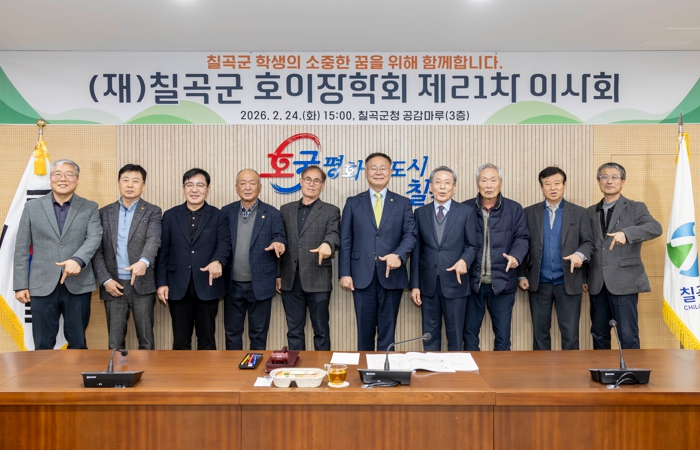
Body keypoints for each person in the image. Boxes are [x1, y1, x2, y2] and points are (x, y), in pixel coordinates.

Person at [13, 159, 103, 349]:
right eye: (57, 174)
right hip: (41, 285)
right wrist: (20, 285)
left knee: (78, 344)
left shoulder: (89, 207)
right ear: (50, 178)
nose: (63, 179)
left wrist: (77, 260)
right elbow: (21, 247)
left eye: (69, 174)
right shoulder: (32, 207)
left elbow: (95, 237)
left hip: (78, 285)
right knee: (42, 345)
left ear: (77, 179)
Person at [339, 152, 416, 351]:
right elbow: (346, 240)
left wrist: (399, 255)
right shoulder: (353, 202)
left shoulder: (403, 203)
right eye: (373, 168)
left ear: (390, 172)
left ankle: (386, 369)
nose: (378, 172)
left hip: (391, 275)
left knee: (387, 333)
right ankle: (365, 369)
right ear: (366, 172)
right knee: (364, 333)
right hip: (361, 275)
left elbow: (410, 235)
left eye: (383, 168)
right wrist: (344, 273)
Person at [585, 162, 662, 349]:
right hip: (597, 283)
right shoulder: (589, 212)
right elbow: (587, 244)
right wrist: (584, 277)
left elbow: (655, 228)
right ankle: (602, 368)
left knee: (628, 336)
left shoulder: (636, 207)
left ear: (623, 181)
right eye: (604, 177)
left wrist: (627, 234)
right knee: (599, 335)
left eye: (614, 177)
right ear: (598, 181)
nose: (609, 181)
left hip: (625, 282)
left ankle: (631, 368)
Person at [518, 167, 593, 350]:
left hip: (569, 281)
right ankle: (541, 368)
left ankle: (571, 368)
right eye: (548, 184)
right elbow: (521, 244)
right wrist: (521, 275)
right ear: (541, 187)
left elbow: (589, 243)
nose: (553, 188)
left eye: (557, 183)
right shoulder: (529, 213)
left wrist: (580, 258)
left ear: (564, 185)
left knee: (570, 334)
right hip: (538, 282)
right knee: (539, 333)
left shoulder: (580, 213)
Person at [155, 168, 230, 350]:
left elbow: (225, 244)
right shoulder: (170, 215)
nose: (194, 189)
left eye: (200, 185)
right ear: (183, 188)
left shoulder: (218, 215)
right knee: (180, 341)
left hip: (207, 285)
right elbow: (163, 252)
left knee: (207, 340)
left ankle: (207, 370)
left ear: (208, 189)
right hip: (177, 285)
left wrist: (218, 261)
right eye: (190, 185)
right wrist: (162, 283)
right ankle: (181, 371)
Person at [93, 164, 162, 350]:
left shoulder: (153, 211)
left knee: (146, 340)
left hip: (142, 283)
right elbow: (97, 250)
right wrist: (105, 280)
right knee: (115, 343)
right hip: (113, 285)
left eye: (135, 181)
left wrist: (143, 262)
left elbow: (154, 238)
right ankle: (116, 370)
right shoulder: (104, 213)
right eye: (125, 180)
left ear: (143, 186)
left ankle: (147, 369)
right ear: (118, 183)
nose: (130, 185)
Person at [410, 166, 478, 351]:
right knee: (429, 337)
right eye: (438, 182)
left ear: (454, 187)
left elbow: (472, 245)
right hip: (428, 285)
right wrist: (415, 285)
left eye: (447, 183)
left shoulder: (465, 212)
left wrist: (464, 260)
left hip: (456, 283)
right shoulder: (420, 213)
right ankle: (431, 369)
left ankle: (454, 369)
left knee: (455, 337)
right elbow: (416, 251)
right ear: (431, 186)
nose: (442, 187)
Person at [463, 163, 529, 351]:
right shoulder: (465, 208)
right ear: (477, 183)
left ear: (500, 183)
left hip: (503, 282)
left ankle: (502, 371)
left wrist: (516, 256)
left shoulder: (514, 209)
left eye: (493, 180)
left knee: (502, 336)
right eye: (484, 180)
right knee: (469, 334)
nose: (489, 185)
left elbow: (522, 237)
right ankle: (472, 369)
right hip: (472, 283)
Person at [276, 165, 340, 350]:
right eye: (308, 180)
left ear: (323, 185)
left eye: (317, 181)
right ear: (301, 182)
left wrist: (328, 244)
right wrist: (278, 275)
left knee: (321, 330)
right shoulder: (285, 209)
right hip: (290, 280)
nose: (312, 184)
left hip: (317, 278)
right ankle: (297, 366)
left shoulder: (331, 210)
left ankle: (322, 365)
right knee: (294, 331)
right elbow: (280, 240)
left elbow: (334, 234)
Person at [222, 169, 286, 350]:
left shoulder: (272, 213)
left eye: (252, 183)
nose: (248, 187)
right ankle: (233, 367)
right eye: (243, 183)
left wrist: (279, 242)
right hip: (232, 284)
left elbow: (280, 236)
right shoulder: (226, 212)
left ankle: (256, 367)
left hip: (261, 283)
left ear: (260, 187)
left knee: (258, 334)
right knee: (232, 333)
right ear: (236, 188)